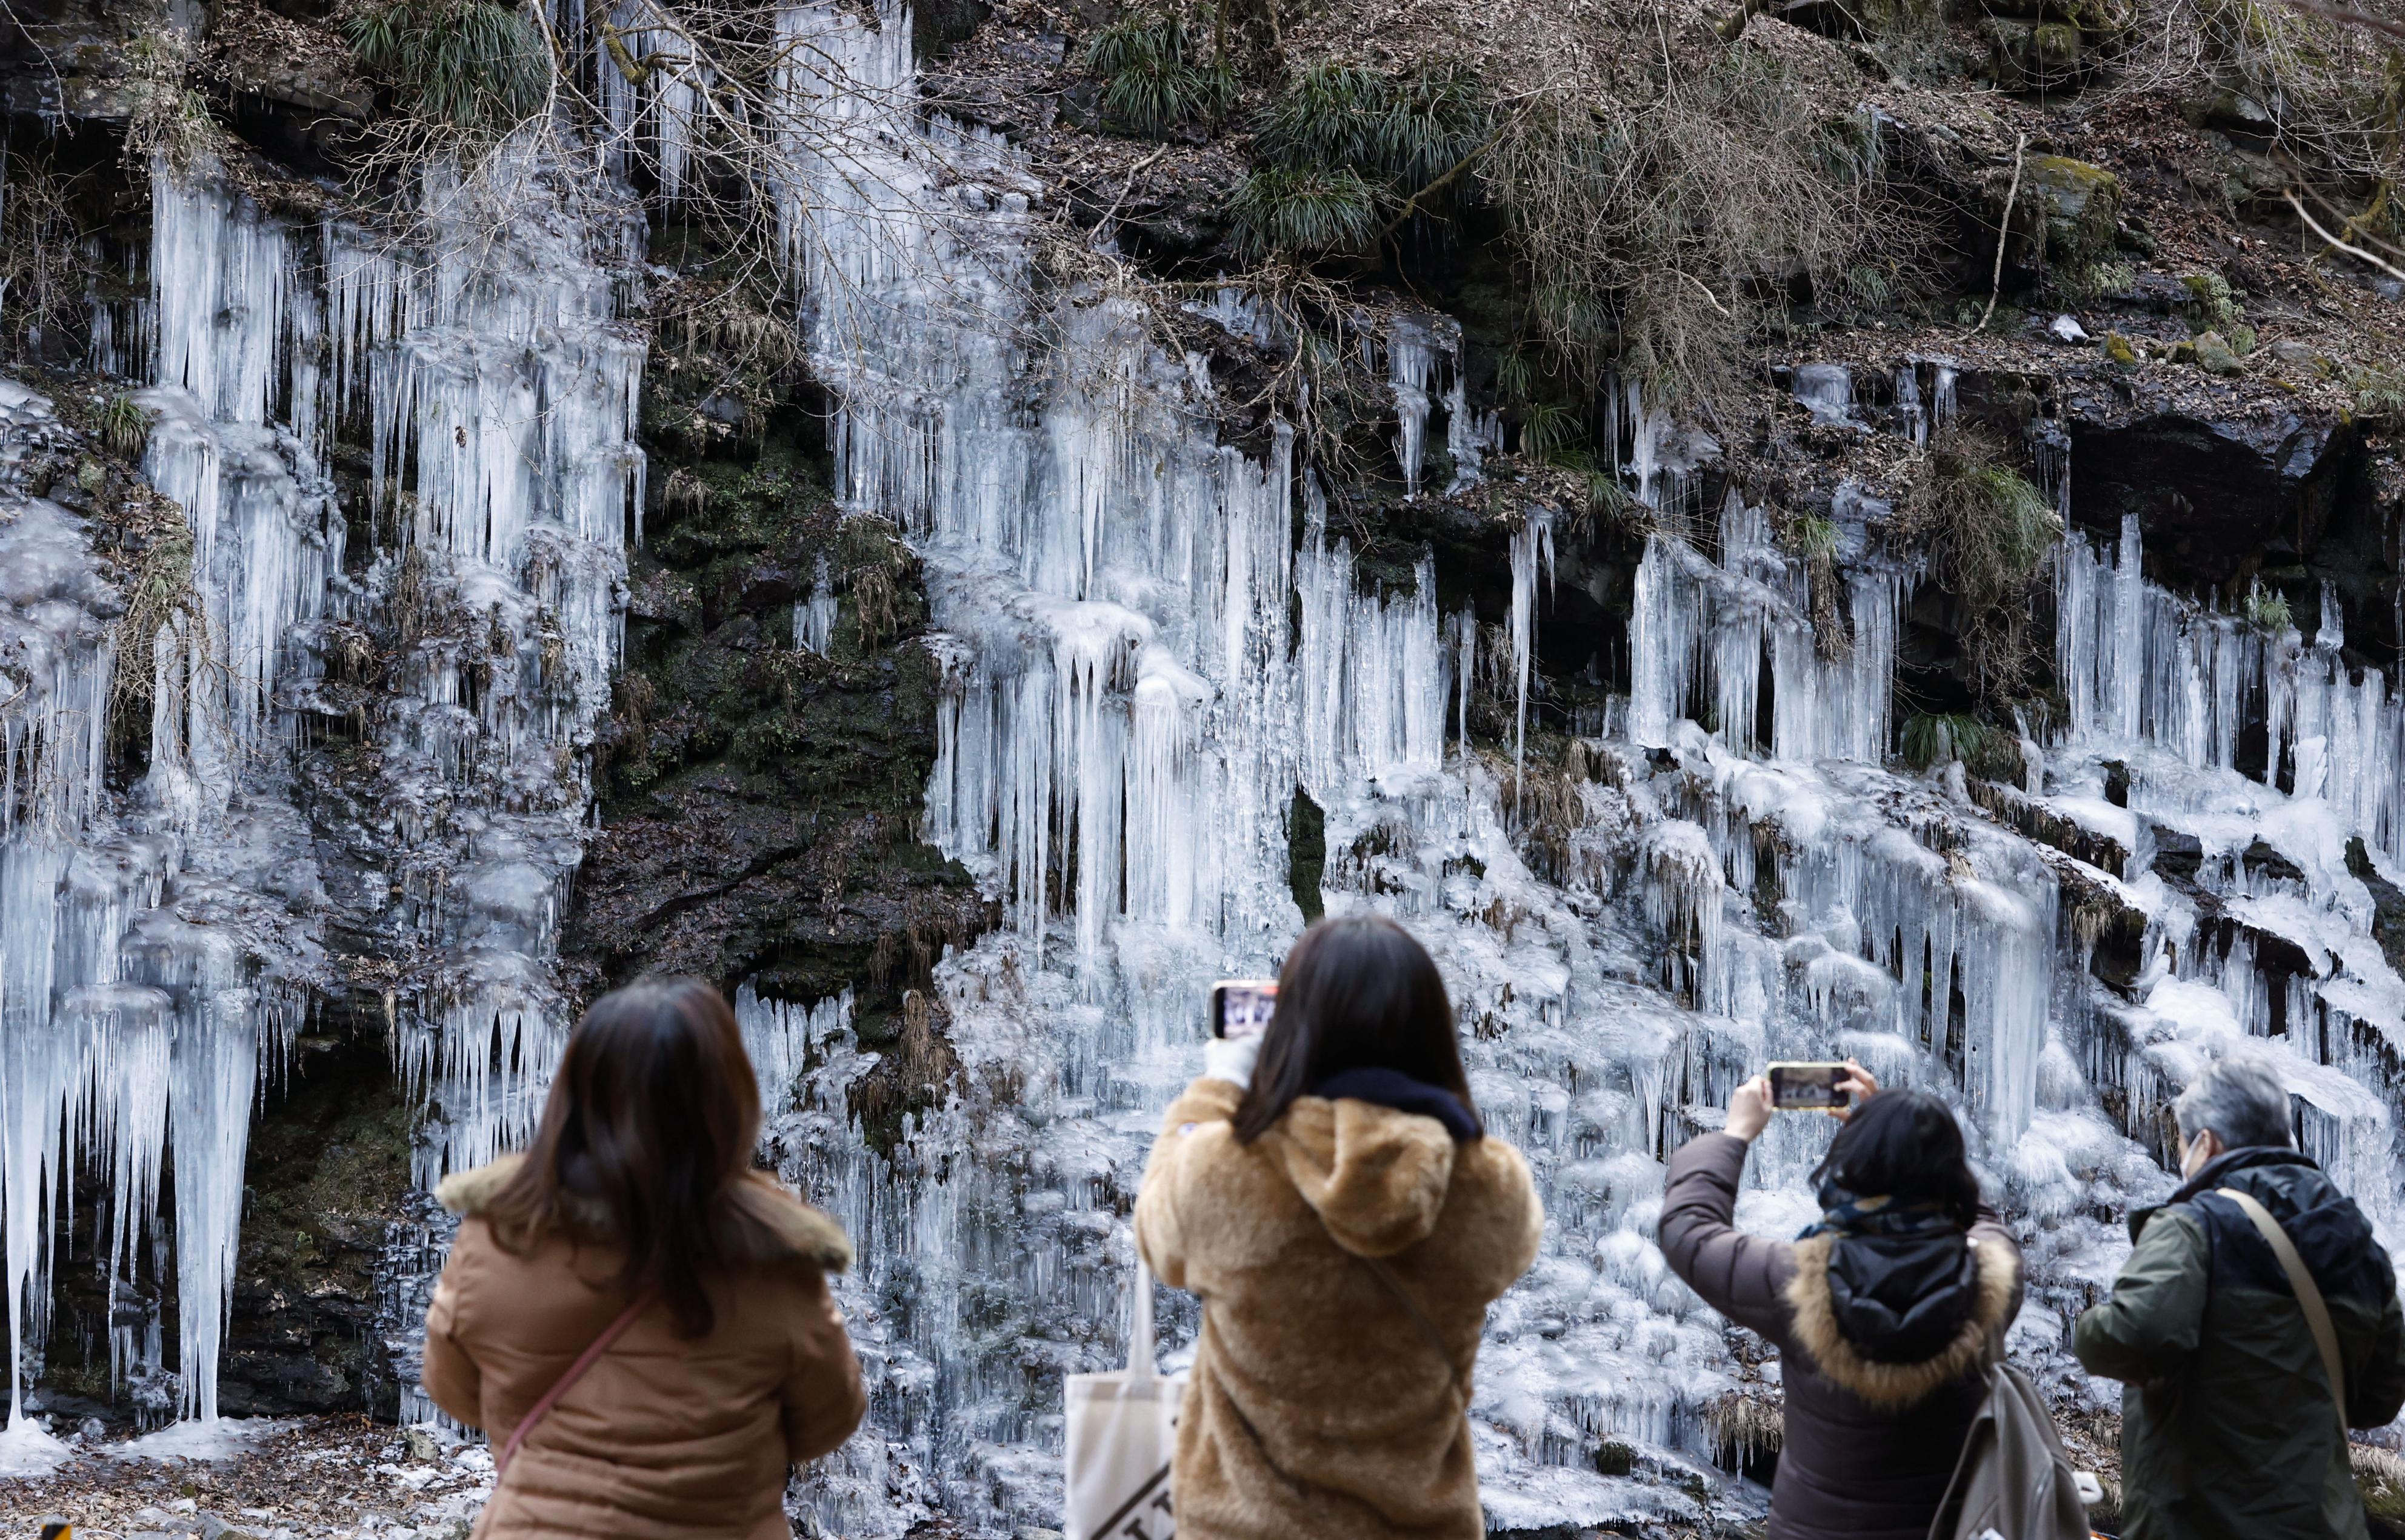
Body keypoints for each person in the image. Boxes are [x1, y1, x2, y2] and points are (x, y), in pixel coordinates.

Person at [1133, 914, 1543, 1540]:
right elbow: (1514, 1252)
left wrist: (1218, 1087)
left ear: (1293, 1029)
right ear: (1431, 1032)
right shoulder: (1488, 1188)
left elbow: (1157, 1239)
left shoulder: (1226, 1168)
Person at [421, 977, 867, 1539]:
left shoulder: (501, 1231)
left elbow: (454, 1391)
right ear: (725, 1100)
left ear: (577, 1093)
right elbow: (830, 1419)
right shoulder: (774, 1254)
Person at [1658, 1067, 2023, 1540]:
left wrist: (1735, 1133)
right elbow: (1981, 1223)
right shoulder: (1989, 1285)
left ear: (1852, 1168)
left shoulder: (1798, 1284)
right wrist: (1909, 1143)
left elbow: (1689, 1232)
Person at [2074, 1054, 2405, 1540]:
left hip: (2204, 1519)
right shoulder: (2356, 1241)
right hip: (2324, 1523)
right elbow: (2380, 1397)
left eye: (2184, 1141)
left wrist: (2089, 1326)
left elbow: (2131, 1335)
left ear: (2205, 1142)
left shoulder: (2194, 1226)